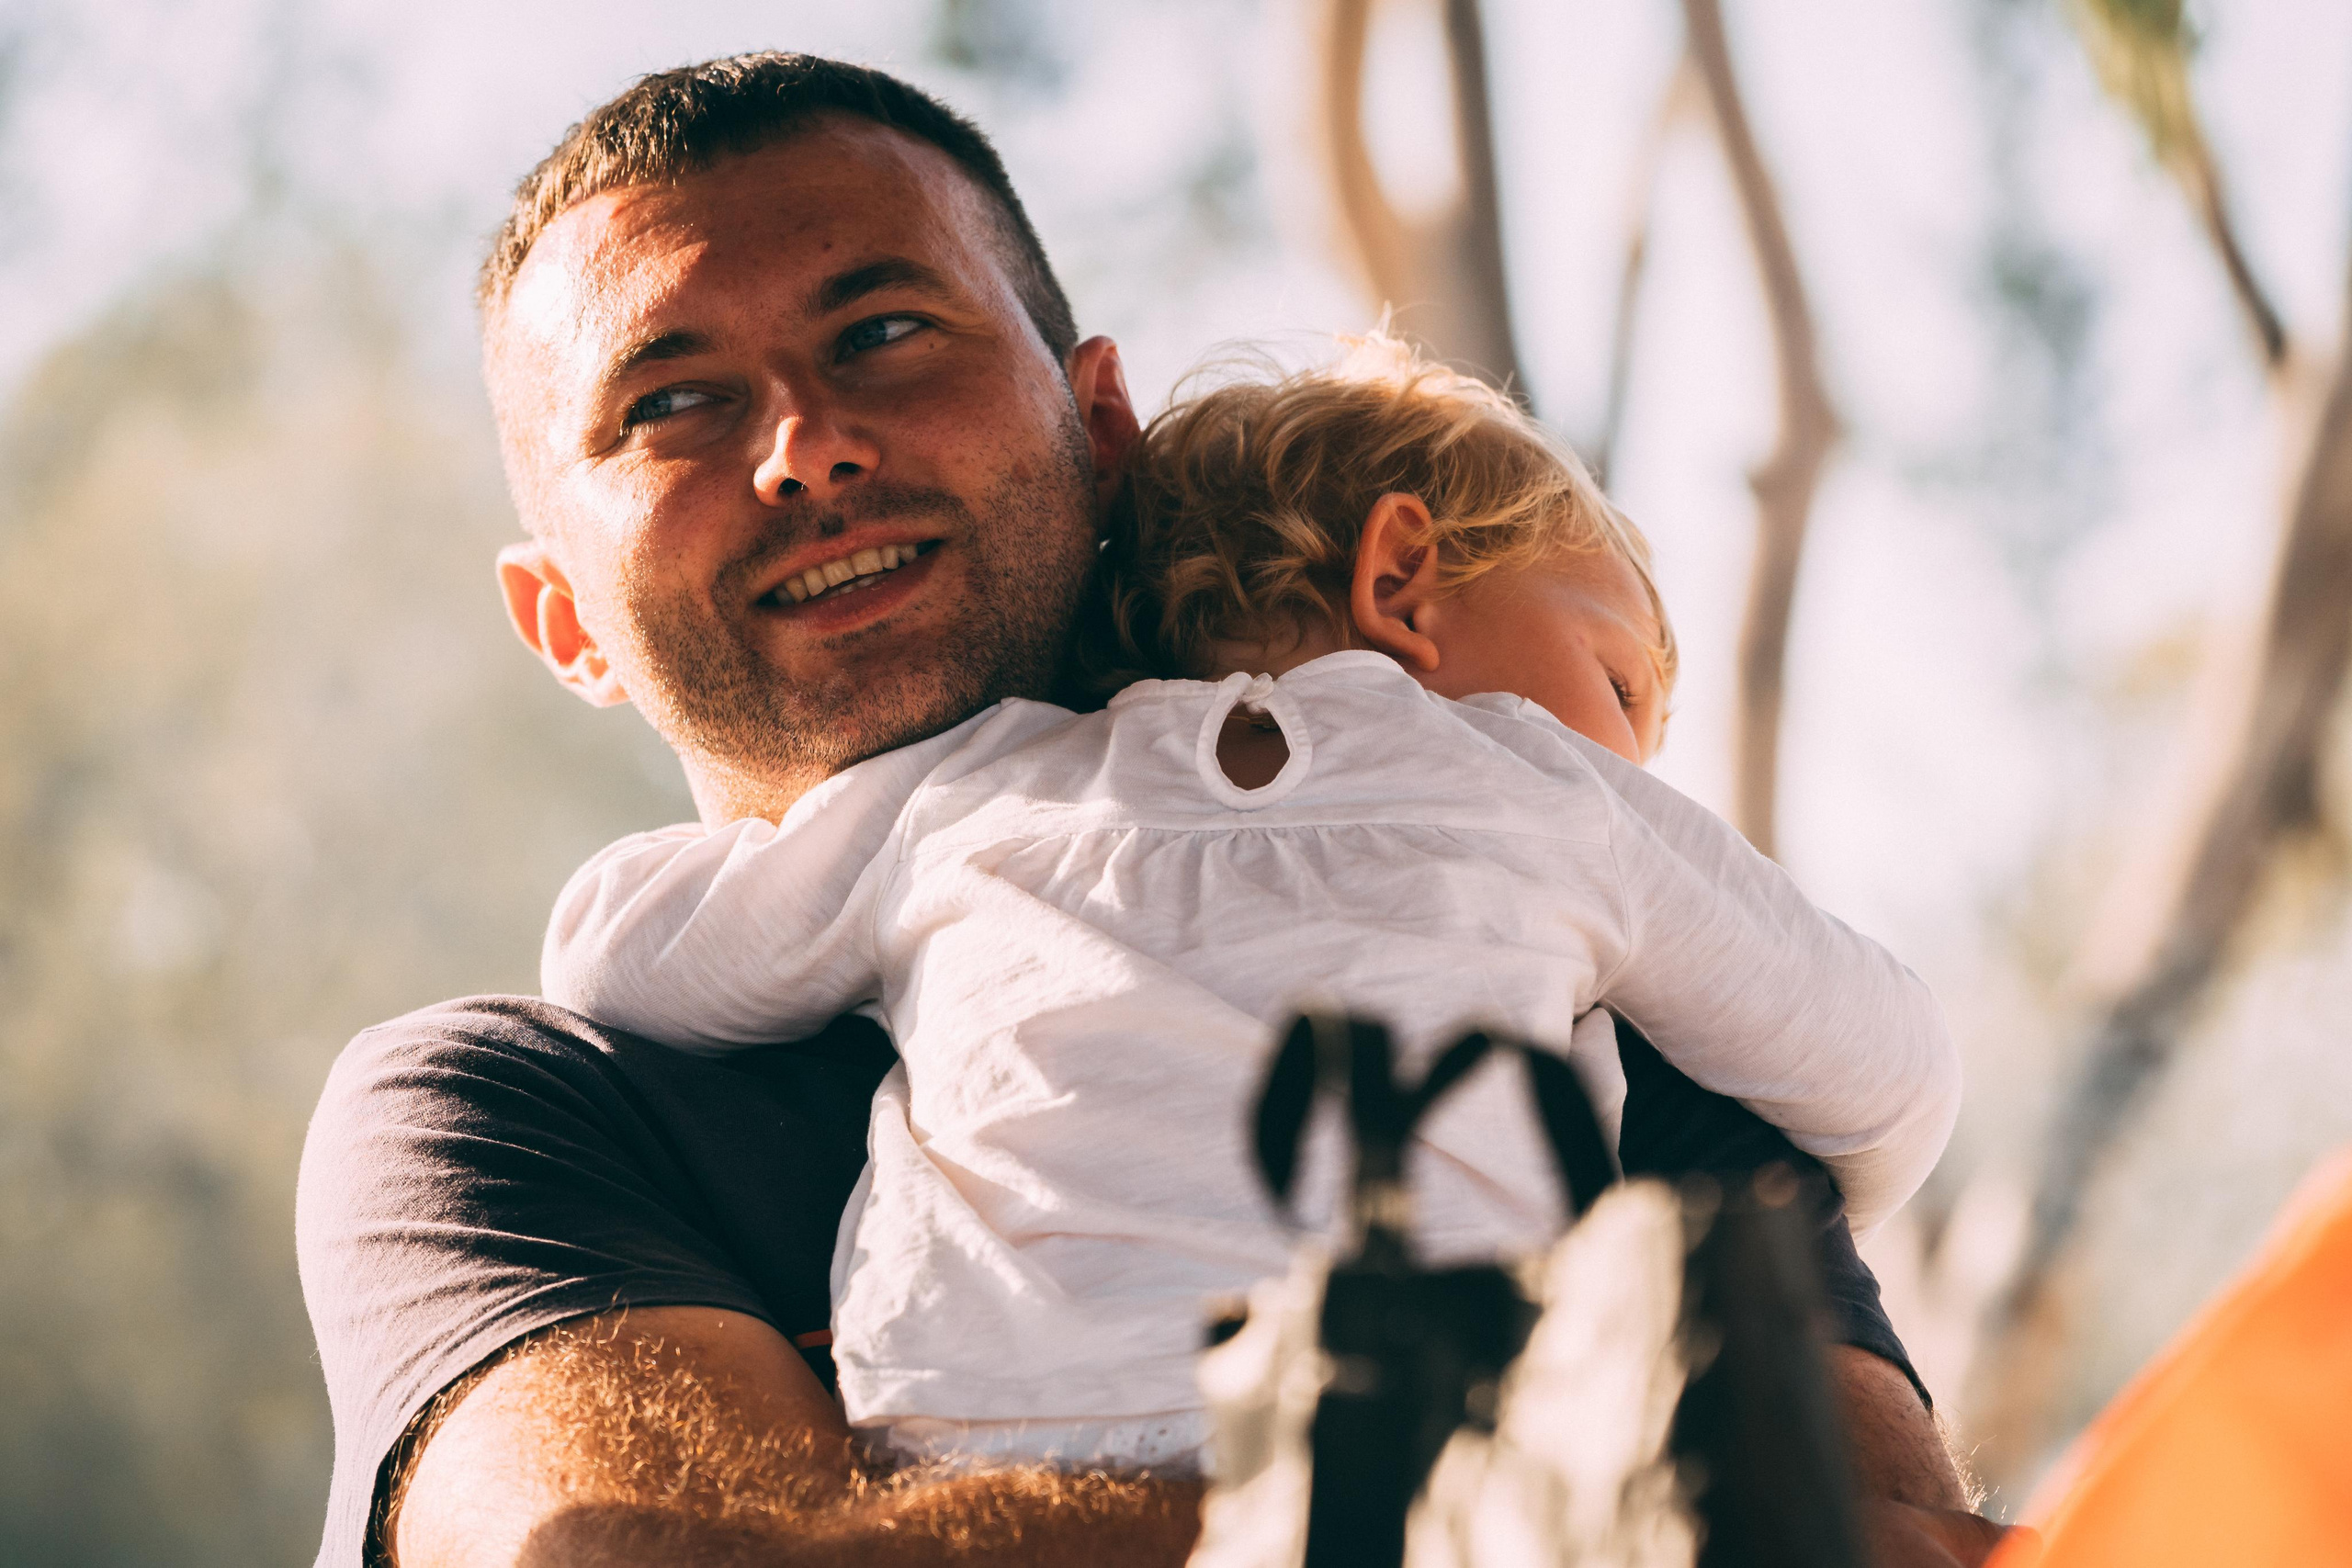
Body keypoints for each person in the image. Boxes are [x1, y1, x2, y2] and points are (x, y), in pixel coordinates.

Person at [294, 51, 2005, 1568]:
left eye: (885, 332)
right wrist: (1527, 1506)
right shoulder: (500, 1120)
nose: (804, 447)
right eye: (672, 403)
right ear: (563, 623)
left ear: (1100, 423)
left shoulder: (1613, 1042)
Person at [537, 338, 1961, 1475]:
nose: (1638, 748)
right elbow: (1885, 1084)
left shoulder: (963, 791)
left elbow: (623, 963)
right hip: (1430, 1455)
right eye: (1619, 679)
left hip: (986, 1455)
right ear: (1402, 580)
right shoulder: (1551, 792)